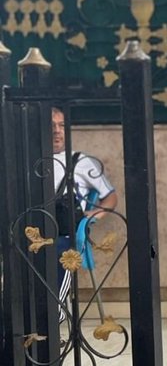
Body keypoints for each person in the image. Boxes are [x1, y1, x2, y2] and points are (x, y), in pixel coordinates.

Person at [51, 107, 117, 305]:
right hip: (34, 231)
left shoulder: (80, 161)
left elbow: (110, 197)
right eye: (51, 125)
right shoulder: (29, 160)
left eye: (62, 125)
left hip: (66, 232)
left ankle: (56, 310)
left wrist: (92, 216)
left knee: (60, 252)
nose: (56, 131)